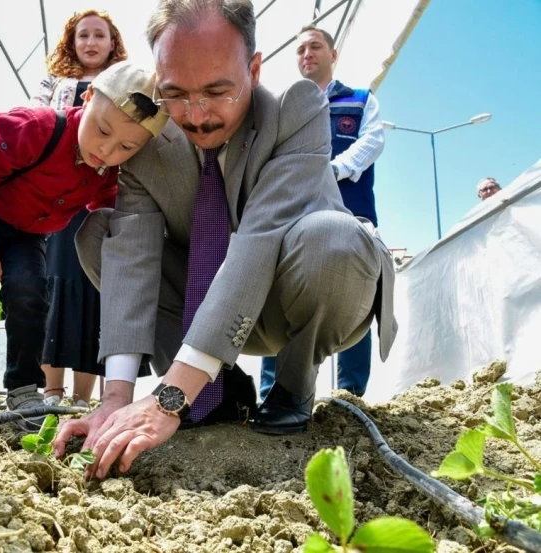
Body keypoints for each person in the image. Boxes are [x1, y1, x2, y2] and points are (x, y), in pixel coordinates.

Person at [54, 0, 396, 479]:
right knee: (101, 235)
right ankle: (218, 389)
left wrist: (167, 400)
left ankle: (293, 386)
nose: (197, 116)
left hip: (303, 288)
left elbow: (259, 241)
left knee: (332, 239)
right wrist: (115, 400)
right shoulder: (146, 141)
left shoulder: (296, 110)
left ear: (253, 69)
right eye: (175, 94)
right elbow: (133, 258)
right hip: (204, 304)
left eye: (218, 91)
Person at [0, 61, 168, 421]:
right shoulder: (38, 126)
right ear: (88, 97)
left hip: (27, 235)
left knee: (30, 295)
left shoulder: (104, 171)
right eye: (102, 130)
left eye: (125, 147)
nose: (106, 151)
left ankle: (23, 388)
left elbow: (107, 205)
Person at [258, 24, 386, 400]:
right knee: (283, 297)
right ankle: (276, 392)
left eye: (315, 47)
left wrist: (330, 170)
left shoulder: (362, 100)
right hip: (293, 218)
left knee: (356, 299)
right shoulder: (282, 107)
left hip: (351, 214)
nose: (307, 54)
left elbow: (372, 141)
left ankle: (349, 393)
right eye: (300, 49)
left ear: (333, 55)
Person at [32, 10, 130, 409]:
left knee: (92, 291)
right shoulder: (53, 83)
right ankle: (51, 394)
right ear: (72, 42)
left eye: (99, 35)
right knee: (54, 285)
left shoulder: (125, 84)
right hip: (60, 195)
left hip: (105, 193)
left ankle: (82, 399)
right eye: (83, 35)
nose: (91, 43)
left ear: (112, 42)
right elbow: (37, 118)